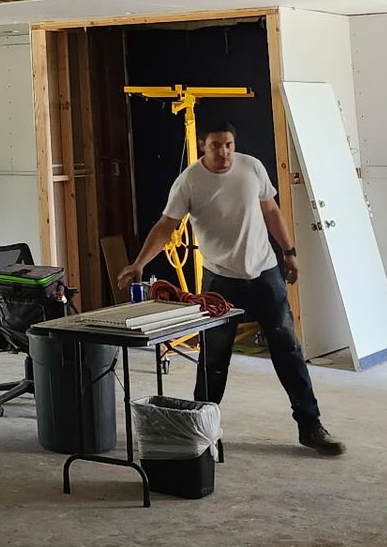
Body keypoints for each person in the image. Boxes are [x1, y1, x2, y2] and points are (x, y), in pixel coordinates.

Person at [116, 123, 345, 456]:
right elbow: (165, 226)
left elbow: (270, 211)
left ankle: (310, 427)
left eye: (228, 145)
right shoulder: (189, 182)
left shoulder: (251, 167)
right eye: (216, 146)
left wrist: (289, 251)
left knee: (289, 351)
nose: (224, 153)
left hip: (265, 273)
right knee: (213, 360)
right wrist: (139, 264)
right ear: (201, 147)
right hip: (220, 281)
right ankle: (200, 433)